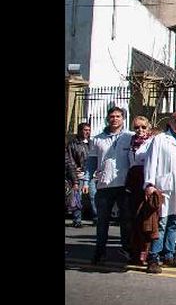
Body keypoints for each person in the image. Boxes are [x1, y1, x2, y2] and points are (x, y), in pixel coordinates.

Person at [140, 112, 176, 273]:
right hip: (163, 187)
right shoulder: (159, 139)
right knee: (161, 223)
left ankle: (169, 254)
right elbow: (151, 162)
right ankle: (154, 257)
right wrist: (149, 184)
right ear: (171, 121)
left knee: (175, 222)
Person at [91, 106, 135, 265]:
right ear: (107, 118)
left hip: (124, 185)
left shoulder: (130, 136)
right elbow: (91, 162)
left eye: (118, 116)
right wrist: (88, 181)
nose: (115, 119)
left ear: (123, 119)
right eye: (112, 116)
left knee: (126, 221)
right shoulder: (97, 139)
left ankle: (126, 250)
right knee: (102, 221)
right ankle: (99, 252)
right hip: (104, 186)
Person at [125, 116, 154, 265]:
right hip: (133, 182)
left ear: (148, 127)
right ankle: (135, 252)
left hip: (147, 181)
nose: (140, 130)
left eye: (143, 127)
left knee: (147, 220)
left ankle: (147, 252)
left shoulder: (153, 142)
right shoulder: (131, 143)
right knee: (134, 219)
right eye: (137, 127)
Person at [66, 123, 91, 227]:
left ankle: (97, 218)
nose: (87, 132)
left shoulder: (91, 143)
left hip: (90, 173)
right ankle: (77, 220)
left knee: (93, 196)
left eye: (89, 130)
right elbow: (70, 160)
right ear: (80, 130)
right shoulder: (73, 144)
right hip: (78, 174)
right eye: (85, 130)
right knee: (77, 197)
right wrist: (75, 173)